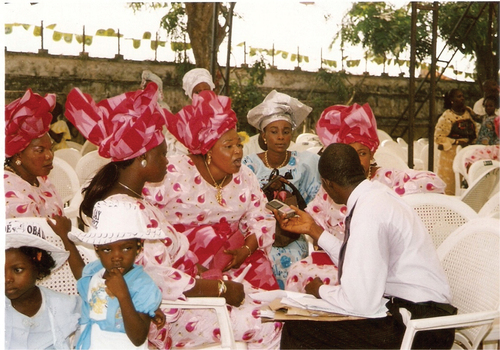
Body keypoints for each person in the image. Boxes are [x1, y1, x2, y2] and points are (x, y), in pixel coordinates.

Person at [64, 84, 277, 349]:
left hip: (185, 298)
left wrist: (215, 279)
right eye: (162, 154)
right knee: (270, 325)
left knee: (274, 304)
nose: (168, 161)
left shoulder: (136, 201)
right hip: (165, 317)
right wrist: (220, 290)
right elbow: (155, 279)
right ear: (142, 159)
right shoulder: (123, 211)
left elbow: (174, 260)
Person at [275, 143, 456, 349]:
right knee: (313, 324)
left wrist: (320, 291)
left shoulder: (368, 213)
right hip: (416, 314)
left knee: (300, 330)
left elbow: (361, 304)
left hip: (422, 328)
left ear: (327, 183)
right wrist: (314, 230)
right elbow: (356, 260)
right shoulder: (374, 195)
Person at [144, 89, 283, 348]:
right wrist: (185, 261)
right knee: (228, 319)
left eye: (239, 144)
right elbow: (147, 218)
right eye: (228, 146)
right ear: (207, 150)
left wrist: (245, 248)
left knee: (269, 314)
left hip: (236, 260)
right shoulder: (171, 172)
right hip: (185, 265)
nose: (238, 152)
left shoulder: (246, 177)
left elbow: (260, 216)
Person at [286, 103, 446, 292]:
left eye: (362, 153)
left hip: (379, 271)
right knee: (298, 270)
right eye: (350, 155)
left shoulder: (385, 180)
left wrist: (390, 201)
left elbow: (434, 182)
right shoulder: (335, 188)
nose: (356, 161)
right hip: (343, 258)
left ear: (371, 154)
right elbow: (318, 223)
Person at [54, 199, 165, 350]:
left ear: (138, 247)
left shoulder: (143, 285)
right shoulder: (95, 272)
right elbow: (81, 273)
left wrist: (123, 294)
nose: (116, 257)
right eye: (107, 250)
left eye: (126, 248)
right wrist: (65, 238)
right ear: (97, 250)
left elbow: (138, 338)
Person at [242, 90, 321, 289]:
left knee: (293, 258)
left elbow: (317, 204)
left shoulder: (306, 164)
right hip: (257, 235)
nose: (280, 137)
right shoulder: (248, 165)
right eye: (274, 131)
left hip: (292, 236)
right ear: (263, 135)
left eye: (286, 131)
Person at [5, 218, 81, 350]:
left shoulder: (63, 305)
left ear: (37, 265)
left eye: (17, 270)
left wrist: (66, 238)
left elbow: (90, 290)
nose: (7, 279)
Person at [4, 88, 71, 236]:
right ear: (18, 155)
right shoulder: (10, 192)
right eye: (40, 150)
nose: (49, 156)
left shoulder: (41, 180)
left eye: (50, 149)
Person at [435, 88, 477, 195]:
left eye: (462, 96)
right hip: (450, 155)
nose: (462, 98)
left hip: (467, 153)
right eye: (458, 96)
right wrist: (457, 142)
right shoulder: (447, 116)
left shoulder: (468, 113)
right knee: (450, 184)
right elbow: (439, 137)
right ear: (451, 100)